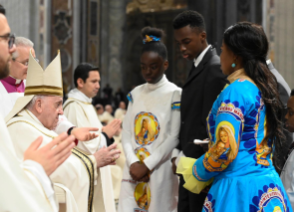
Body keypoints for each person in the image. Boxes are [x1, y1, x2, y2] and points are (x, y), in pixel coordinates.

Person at [177, 22, 292, 212]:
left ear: (235, 57)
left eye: (223, 50)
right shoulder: (262, 86)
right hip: (267, 186)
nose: (220, 56)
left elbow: (224, 149)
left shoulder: (235, 91)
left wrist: (196, 171)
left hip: (239, 190)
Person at [6, 50, 121, 212]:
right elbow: (62, 170)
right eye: (57, 105)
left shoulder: (33, 125)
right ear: (38, 105)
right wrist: (94, 161)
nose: (61, 112)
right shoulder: (22, 129)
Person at [0, 11, 75, 211]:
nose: (11, 47)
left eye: (35, 63)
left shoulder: (33, 88)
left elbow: (55, 116)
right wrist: (35, 169)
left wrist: (72, 131)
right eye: (6, 39)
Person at [118, 27, 181, 212]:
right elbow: (127, 132)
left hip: (158, 170)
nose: (147, 72)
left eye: (153, 66)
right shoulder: (136, 93)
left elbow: (173, 136)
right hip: (134, 170)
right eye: (143, 66)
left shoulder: (174, 94)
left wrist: (147, 165)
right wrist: (133, 162)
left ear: (165, 65)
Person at [172, 10, 228, 211]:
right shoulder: (198, 65)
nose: (182, 48)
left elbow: (209, 125)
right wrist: (179, 150)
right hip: (189, 162)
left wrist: (185, 155)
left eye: (186, 41)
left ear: (202, 36)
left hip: (200, 165)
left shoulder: (214, 68)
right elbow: (189, 117)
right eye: (179, 43)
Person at [63, 63, 122, 211]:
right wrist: (106, 135)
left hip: (98, 168)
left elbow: (95, 133)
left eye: (99, 81)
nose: (98, 86)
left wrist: (106, 139)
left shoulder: (87, 104)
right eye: (94, 81)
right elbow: (82, 144)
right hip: (86, 172)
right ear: (80, 82)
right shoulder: (73, 106)